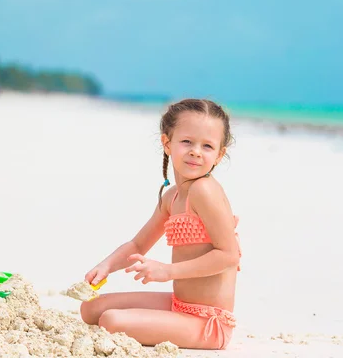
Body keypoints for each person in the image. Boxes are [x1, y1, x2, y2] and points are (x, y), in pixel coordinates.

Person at [80, 99, 241, 350]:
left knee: (110, 320)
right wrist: (106, 266)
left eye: (207, 146)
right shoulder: (173, 196)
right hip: (180, 304)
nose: (196, 151)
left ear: (219, 155)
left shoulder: (205, 191)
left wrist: (167, 271)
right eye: (187, 141)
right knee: (91, 308)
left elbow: (228, 256)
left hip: (208, 322)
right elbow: (138, 244)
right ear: (167, 143)